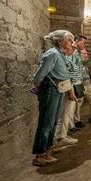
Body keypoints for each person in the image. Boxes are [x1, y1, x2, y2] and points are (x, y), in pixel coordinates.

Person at [32, 30, 75, 166]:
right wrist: (39, 87)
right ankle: (40, 154)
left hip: (58, 89)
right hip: (50, 89)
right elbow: (39, 75)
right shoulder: (52, 54)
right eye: (69, 40)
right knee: (46, 122)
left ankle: (49, 147)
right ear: (60, 41)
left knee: (53, 121)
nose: (72, 43)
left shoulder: (60, 54)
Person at [55, 45, 79, 146]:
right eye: (71, 47)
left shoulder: (67, 58)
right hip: (66, 88)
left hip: (69, 87)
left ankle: (62, 135)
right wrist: (70, 91)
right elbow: (65, 76)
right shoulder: (63, 58)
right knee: (64, 114)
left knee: (67, 114)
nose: (73, 49)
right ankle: (60, 137)